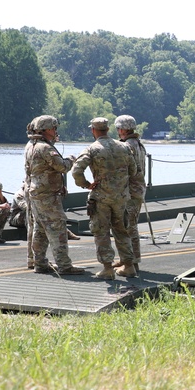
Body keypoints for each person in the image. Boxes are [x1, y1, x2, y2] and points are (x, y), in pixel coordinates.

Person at [72, 117, 137, 280]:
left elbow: (76, 171)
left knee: (101, 231)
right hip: (121, 197)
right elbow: (134, 170)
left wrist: (86, 184)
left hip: (101, 197)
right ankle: (128, 266)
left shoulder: (92, 149)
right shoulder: (123, 147)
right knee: (122, 230)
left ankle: (108, 268)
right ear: (108, 130)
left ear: (93, 130)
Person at [24, 115, 86, 275]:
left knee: (40, 229)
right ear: (45, 130)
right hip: (47, 195)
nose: (55, 131)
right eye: (53, 128)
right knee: (57, 227)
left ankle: (40, 263)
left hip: (35, 193)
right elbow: (62, 166)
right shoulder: (45, 148)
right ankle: (64, 265)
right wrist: (72, 159)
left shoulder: (30, 145)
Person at [115, 114, 146, 271]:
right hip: (138, 190)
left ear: (122, 130)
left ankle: (132, 262)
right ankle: (126, 259)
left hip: (129, 192)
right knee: (130, 225)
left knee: (129, 227)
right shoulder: (139, 145)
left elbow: (124, 171)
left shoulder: (127, 146)